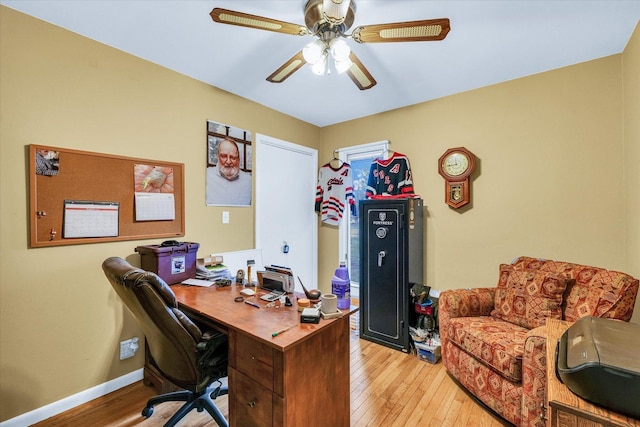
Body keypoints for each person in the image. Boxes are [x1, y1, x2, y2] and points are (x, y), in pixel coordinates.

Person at [206, 137, 252, 206]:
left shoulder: (249, 181)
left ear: (238, 159)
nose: (228, 161)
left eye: (233, 157)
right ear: (218, 157)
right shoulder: (206, 175)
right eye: (224, 156)